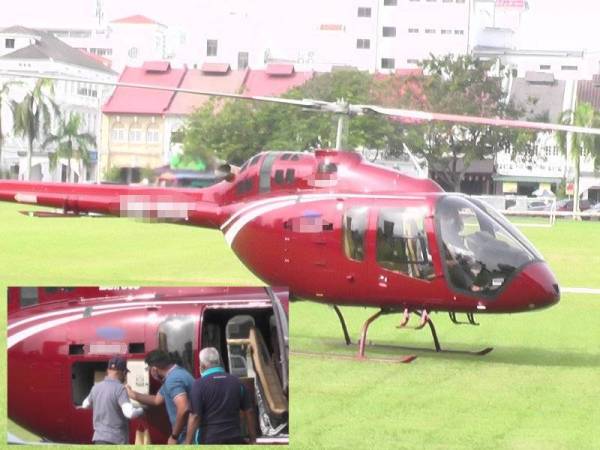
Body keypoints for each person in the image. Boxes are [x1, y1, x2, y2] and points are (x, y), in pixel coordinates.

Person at [185, 347, 257, 445]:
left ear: (202, 365)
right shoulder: (237, 382)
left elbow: (195, 416)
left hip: (209, 440)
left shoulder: (198, 385)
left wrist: (187, 443)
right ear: (218, 362)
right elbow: (249, 411)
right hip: (235, 439)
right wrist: (253, 439)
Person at [126, 350, 194, 444]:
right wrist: (134, 395)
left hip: (186, 436)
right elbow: (156, 400)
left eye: (150, 370)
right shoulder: (178, 374)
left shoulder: (173, 380)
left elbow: (183, 408)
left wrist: (174, 436)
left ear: (154, 369)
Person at [80, 356, 144, 445]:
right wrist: (141, 410)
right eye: (125, 374)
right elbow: (130, 413)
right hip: (116, 441)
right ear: (123, 372)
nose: (125, 377)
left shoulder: (96, 388)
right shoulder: (120, 389)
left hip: (99, 440)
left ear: (108, 370)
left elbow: (84, 405)